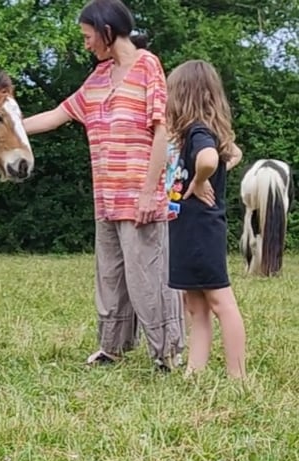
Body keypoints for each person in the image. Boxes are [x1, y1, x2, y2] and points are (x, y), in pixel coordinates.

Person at [22, 0, 184, 372]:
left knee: (148, 277)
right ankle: (112, 347)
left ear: (106, 31)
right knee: (110, 276)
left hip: (140, 196)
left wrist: (149, 192)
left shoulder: (147, 66)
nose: (85, 43)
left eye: (87, 35)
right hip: (106, 198)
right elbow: (58, 115)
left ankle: (167, 353)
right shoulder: (97, 78)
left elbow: (162, 132)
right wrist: (6, 127)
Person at [165, 60, 246, 378]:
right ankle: (194, 373)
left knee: (220, 302)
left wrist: (200, 180)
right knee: (195, 305)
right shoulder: (195, 133)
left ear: (184, 95)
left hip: (201, 230)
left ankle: (238, 376)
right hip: (186, 230)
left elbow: (210, 159)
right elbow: (233, 154)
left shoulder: (198, 130)